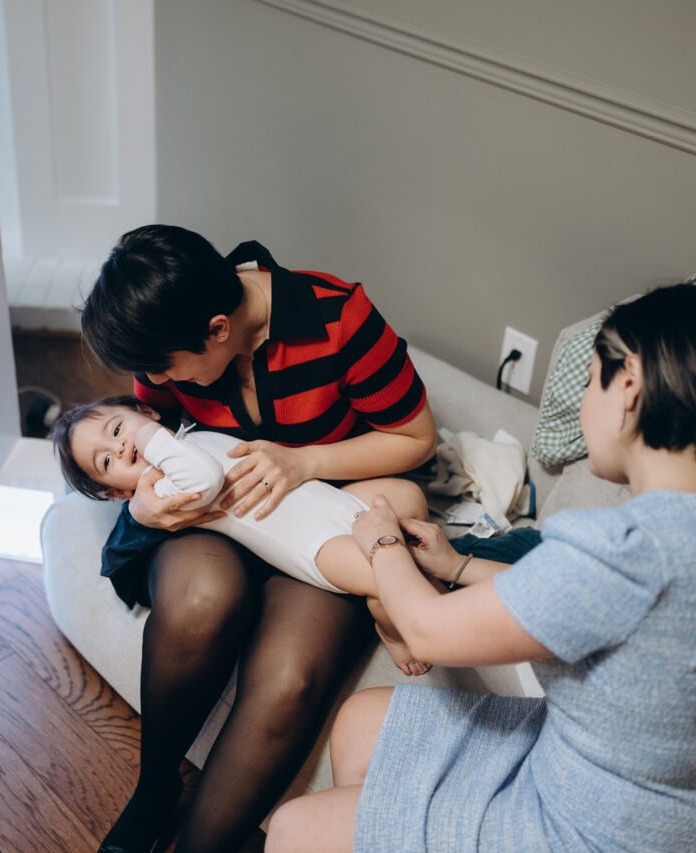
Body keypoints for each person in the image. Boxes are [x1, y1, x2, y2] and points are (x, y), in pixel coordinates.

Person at [265, 283, 696, 853]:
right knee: (365, 721)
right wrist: (456, 563)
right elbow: (580, 597)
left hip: (599, 830)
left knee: (296, 829)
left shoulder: (625, 547)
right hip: (644, 795)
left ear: (629, 385)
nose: (583, 405)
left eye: (591, 381)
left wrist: (382, 542)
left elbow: (426, 631)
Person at [77, 225, 438, 853]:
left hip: (314, 510)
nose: (153, 378)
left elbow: (416, 438)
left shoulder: (340, 320)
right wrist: (144, 507)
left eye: (163, 366)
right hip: (218, 517)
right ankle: (156, 786)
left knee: (288, 676)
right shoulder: (165, 334)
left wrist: (305, 462)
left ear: (218, 330)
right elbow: (153, 439)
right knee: (201, 598)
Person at [51, 395, 440, 675]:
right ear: (119, 493)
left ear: (146, 410)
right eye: (107, 461)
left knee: (408, 495)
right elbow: (205, 477)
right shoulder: (166, 489)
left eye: (117, 429)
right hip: (316, 546)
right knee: (384, 577)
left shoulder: (190, 438)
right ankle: (393, 631)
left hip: (333, 501)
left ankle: (419, 582)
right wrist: (147, 437)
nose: (121, 447)